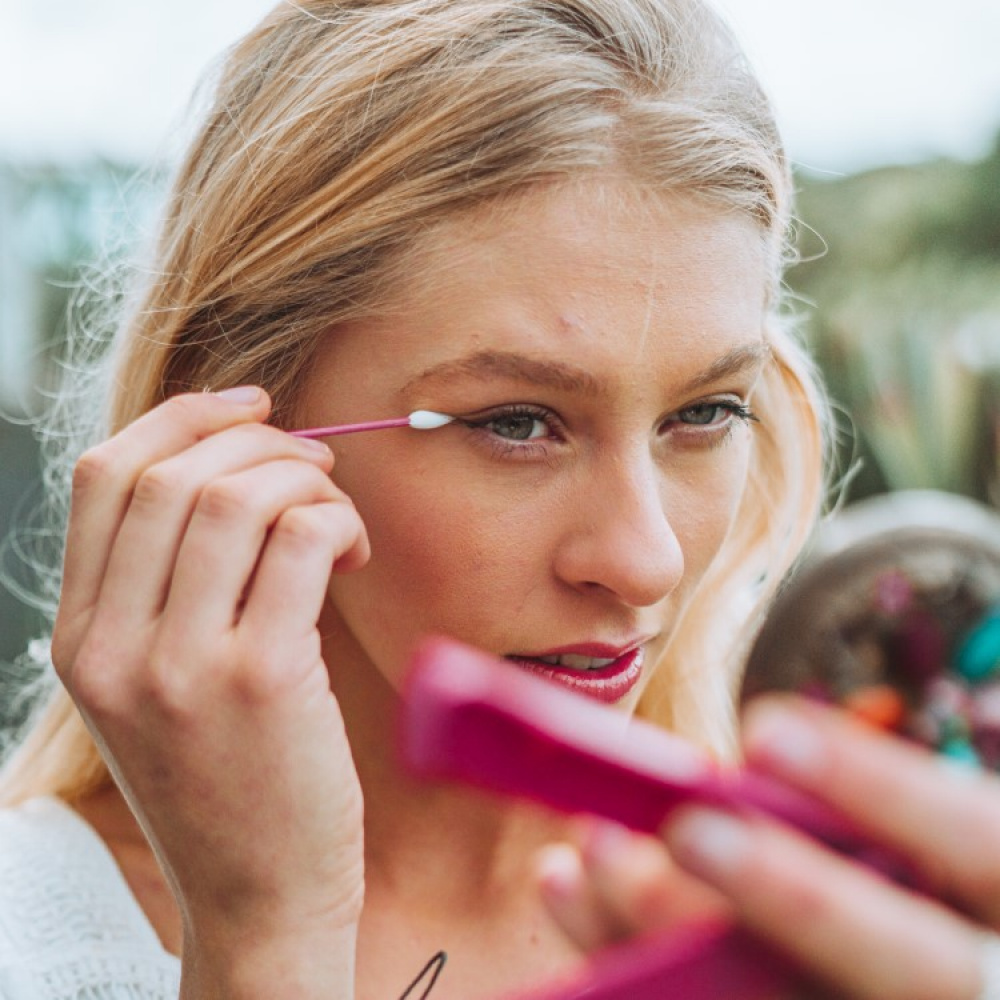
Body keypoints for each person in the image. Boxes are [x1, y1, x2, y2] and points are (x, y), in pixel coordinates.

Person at [1, 0, 997, 997]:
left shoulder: (858, 915)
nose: (646, 558)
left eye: (704, 412)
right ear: (232, 429)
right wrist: (268, 942)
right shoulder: (36, 943)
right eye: (517, 423)